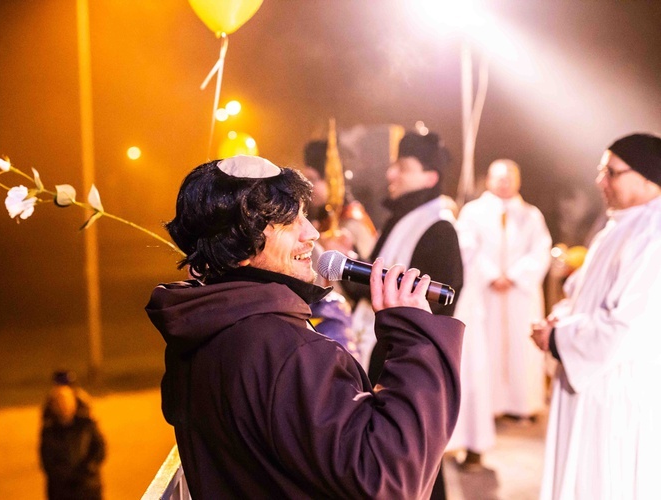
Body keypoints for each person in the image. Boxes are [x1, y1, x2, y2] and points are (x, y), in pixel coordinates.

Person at [145, 155, 464, 498]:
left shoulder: (203, 326)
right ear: (237, 244)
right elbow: (388, 477)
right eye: (289, 221)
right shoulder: (288, 351)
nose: (311, 234)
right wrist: (414, 339)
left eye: (305, 217)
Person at [531, 133, 661, 499]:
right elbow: (580, 297)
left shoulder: (654, 234)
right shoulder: (618, 226)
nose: (600, 181)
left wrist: (558, 338)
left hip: (615, 390)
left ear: (648, 177)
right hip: (585, 379)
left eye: (612, 172)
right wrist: (556, 321)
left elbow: (628, 326)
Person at [346, 131, 463, 498]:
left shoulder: (439, 227)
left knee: (416, 460)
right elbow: (369, 287)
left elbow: (440, 306)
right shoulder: (402, 217)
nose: (391, 175)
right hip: (386, 351)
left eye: (403, 167)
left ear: (429, 177)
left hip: (406, 359)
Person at [450, 159, 552, 469]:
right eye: (499, 177)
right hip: (486, 294)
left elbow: (541, 249)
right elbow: (467, 248)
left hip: (519, 295)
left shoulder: (531, 215)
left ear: (518, 180)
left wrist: (517, 275)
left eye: (510, 177)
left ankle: (519, 404)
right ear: (489, 179)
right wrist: (492, 274)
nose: (505, 183)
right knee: (486, 351)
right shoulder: (473, 212)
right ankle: (488, 408)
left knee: (521, 348)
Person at [39, 384, 106, 500]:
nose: (63, 405)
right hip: (61, 491)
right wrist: (64, 475)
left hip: (88, 487)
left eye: (66, 401)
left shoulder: (87, 425)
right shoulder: (49, 432)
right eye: (58, 402)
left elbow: (99, 448)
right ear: (53, 406)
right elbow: (47, 460)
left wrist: (88, 468)